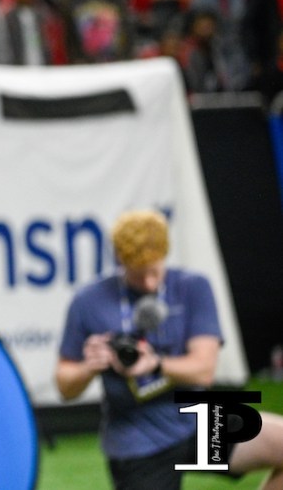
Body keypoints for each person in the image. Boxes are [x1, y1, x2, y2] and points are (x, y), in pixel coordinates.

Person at [55, 209, 283, 490]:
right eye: (138, 275)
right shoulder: (89, 301)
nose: (149, 283)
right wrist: (88, 366)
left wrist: (156, 364)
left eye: (154, 271)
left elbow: (204, 371)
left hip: (199, 423)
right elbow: (65, 387)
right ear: (119, 260)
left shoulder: (192, 287)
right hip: (138, 444)